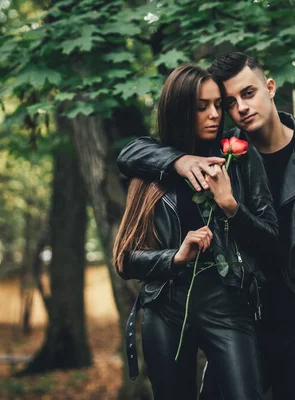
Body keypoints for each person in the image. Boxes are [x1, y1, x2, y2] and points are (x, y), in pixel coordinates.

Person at [117, 53, 295, 399]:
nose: (240, 107)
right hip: (241, 322)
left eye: (249, 93)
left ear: (270, 88)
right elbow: (136, 152)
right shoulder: (225, 154)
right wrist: (180, 160)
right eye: (229, 102)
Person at [113, 64, 278, 400]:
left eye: (218, 105)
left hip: (229, 304)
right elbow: (126, 260)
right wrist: (175, 256)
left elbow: (270, 240)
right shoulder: (151, 168)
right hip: (166, 308)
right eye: (201, 107)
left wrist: (231, 206)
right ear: (179, 110)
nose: (214, 114)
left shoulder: (240, 158)